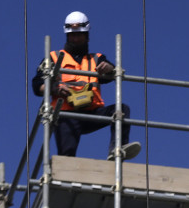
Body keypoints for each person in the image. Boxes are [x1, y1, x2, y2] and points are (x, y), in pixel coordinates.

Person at [31, 10, 141, 160]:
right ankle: (64, 178)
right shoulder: (54, 58)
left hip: (91, 113)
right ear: (67, 35)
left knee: (121, 109)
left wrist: (110, 69)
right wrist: (54, 88)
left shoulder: (96, 59)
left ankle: (117, 149)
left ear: (87, 35)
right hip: (66, 115)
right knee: (67, 157)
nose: (75, 39)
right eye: (72, 35)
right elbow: (37, 85)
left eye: (79, 35)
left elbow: (110, 73)